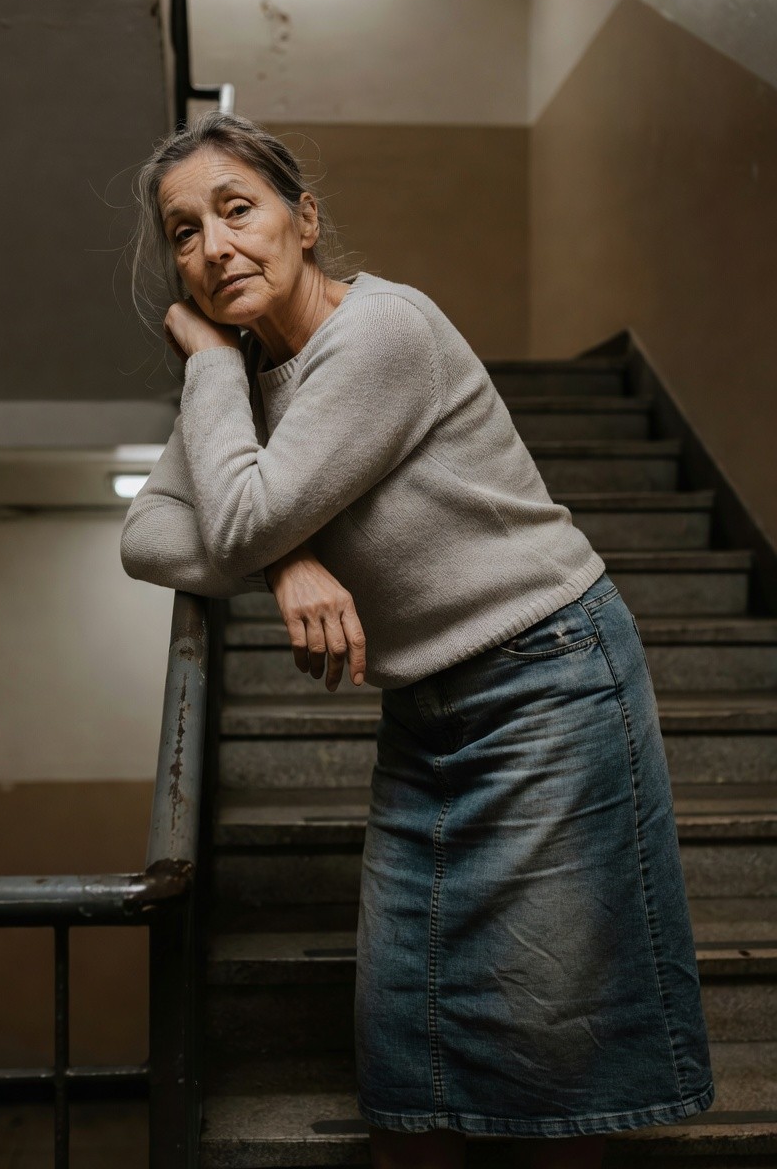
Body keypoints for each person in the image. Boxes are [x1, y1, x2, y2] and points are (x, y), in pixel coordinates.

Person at [119, 111, 715, 1169]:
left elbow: (242, 510)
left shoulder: (382, 333)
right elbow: (150, 533)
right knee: (409, 1052)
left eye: (235, 209)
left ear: (304, 221)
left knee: (551, 1067)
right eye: (181, 233)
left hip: (551, 686)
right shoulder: (254, 395)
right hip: (427, 719)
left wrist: (207, 363)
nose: (211, 248)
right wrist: (285, 557)